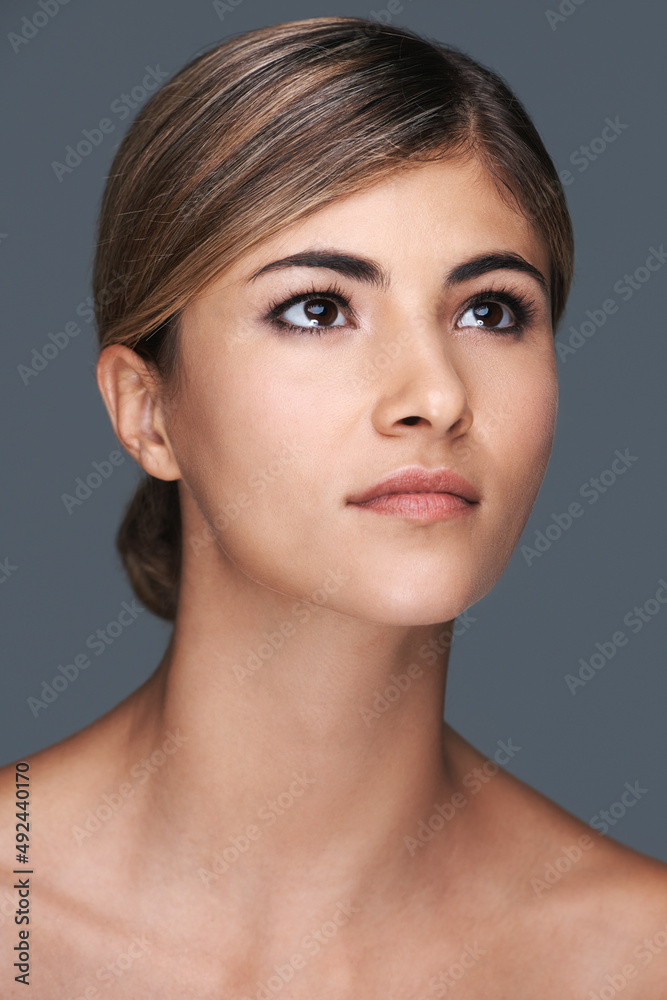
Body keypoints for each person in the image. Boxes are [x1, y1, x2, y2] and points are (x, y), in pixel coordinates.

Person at [2, 15, 666, 998]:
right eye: (316, 307)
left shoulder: (637, 955)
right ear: (147, 413)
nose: (435, 395)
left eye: (489, 310)